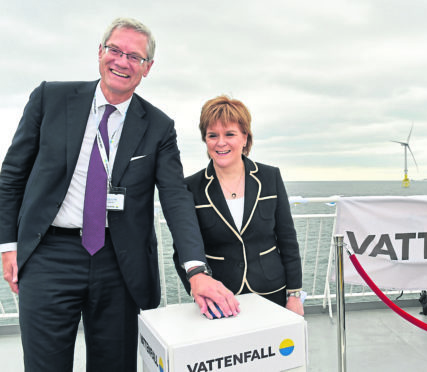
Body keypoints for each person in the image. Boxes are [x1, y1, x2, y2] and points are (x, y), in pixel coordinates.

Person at [0, 18, 238, 372]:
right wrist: (8, 247)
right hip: (50, 255)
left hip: (119, 263)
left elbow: (175, 199)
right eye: (115, 50)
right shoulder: (50, 98)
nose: (122, 62)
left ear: (148, 68)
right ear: (100, 52)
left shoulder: (158, 127)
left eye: (135, 57)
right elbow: (11, 177)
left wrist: (196, 270)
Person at [173, 95, 304, 316]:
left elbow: (288, 241)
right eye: (212, 135)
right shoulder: (191, 187)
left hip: (272, 292)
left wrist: (294, 296)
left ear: (245, 137)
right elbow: (182, 251)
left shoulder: (270, 177)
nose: (220, 142)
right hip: (221, 299)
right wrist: (198, 291)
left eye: (229, 134)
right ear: (205, 141)